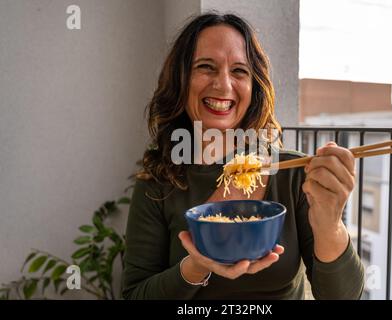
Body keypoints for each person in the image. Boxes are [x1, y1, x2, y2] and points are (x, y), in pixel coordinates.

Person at [121, 12, 364, 300]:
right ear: (181, 82)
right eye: (206, 67)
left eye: (239, 71)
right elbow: (134, 295)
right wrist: (195, 266)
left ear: (254, 87)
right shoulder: (158, 182)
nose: (223, 86)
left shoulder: (294, 172)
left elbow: (342, 296)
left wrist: (330, 224)